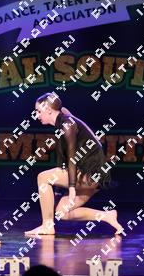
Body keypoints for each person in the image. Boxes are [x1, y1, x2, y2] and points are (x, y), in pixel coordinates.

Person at [24, 92, 124, 236]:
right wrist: (59, 189)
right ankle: (107, 216)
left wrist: (71, 188)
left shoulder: (66, 124)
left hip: (91, 173)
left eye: (39, 111)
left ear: (49, 110)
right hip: (90, 173)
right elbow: (64, 159)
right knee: (62, 212)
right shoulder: (63, 119)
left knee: (43, 177)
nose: (37, 115)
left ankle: (47, 226)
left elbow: (72, 158)